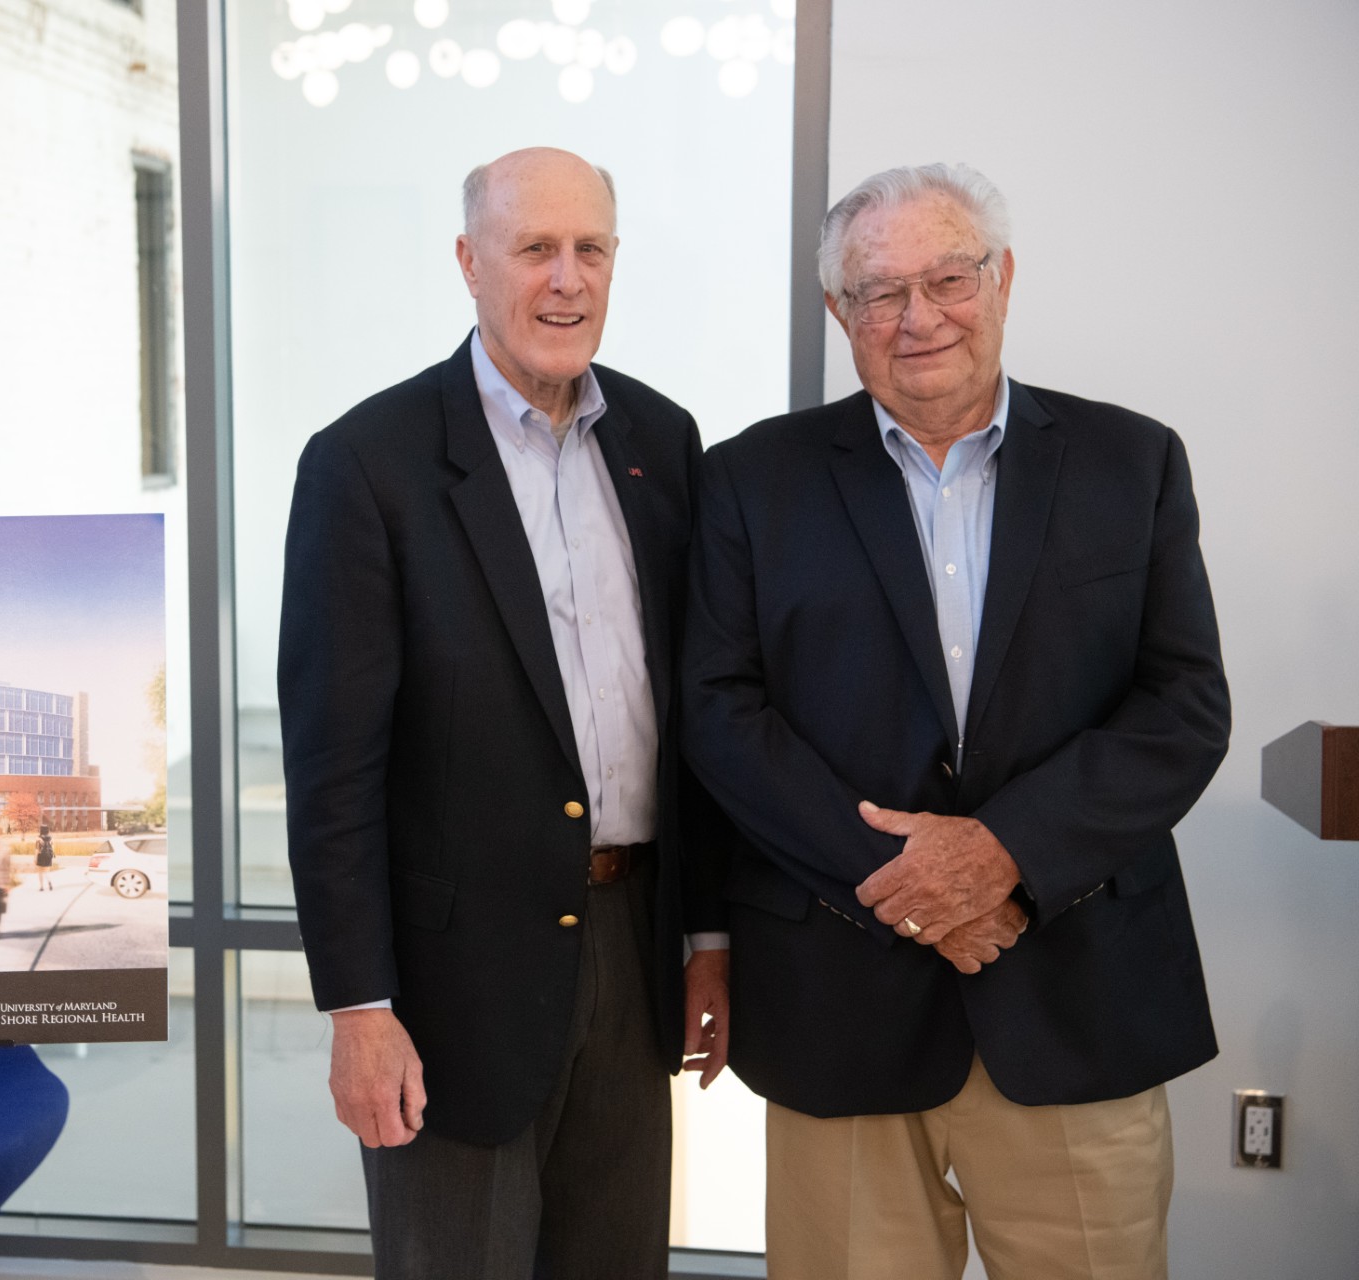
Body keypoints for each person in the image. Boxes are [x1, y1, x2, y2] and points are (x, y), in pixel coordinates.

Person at [681, 162, 1230, 1279]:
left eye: (949, 278)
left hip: (1077, 998)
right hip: (839, 1007)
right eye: (880, 291)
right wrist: (909, 882)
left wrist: (1003, 854)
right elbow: (720, 713)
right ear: (838, 311)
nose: (918, 316)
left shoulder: (1132, 462)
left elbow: (1183, 705)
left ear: (1004, 278)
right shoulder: (750, 479)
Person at [278, 147, 728, 1280]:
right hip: (453, 988)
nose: (566, 279)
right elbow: (333, 769)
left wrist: (706, 939)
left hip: (633, 949)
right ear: (470, 262)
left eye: (590, 249)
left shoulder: (664, 442)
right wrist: (359, 1007)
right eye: (535, 249)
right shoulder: (366, 464)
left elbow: (697, 720)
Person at [34, 822, 56, 891]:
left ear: (41, 830)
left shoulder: (38, 838)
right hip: (48, 856)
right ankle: (49, 882)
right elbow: (53, 848)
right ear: (47, 830)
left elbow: (37, 849)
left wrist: (35, 858)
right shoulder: (51, 838)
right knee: (47, 871)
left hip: (41, 856)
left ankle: (42, 887)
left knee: (40, 872)